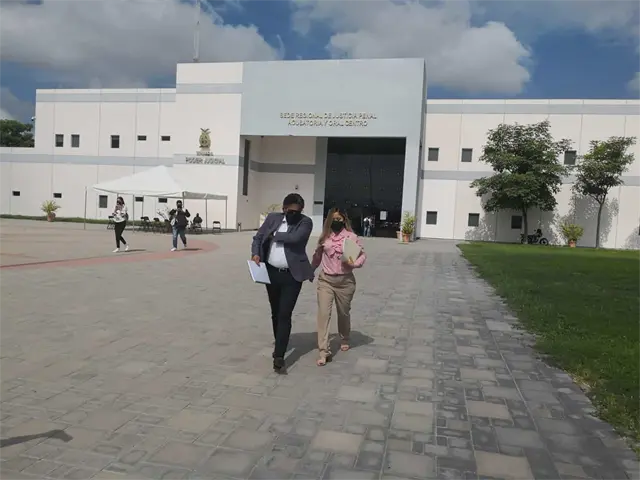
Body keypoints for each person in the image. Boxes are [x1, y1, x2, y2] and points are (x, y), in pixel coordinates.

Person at [251, 193, 313, 373]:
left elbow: (296, 238)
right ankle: (279, 341)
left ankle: (279, 355)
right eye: (291, 211)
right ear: (284, 208)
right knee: (276, 313)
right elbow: (258, 237)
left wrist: (273, 234)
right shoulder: (273, 218)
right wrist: (256, 253)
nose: (294, 214)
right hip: (271, 273)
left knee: (285, 313)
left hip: (292, 276)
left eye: (298, 211)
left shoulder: (305, 222)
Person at [312, 208, 366, 366]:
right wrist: (310, 270)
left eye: (339, 219)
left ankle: (344, 337)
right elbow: (317, 258)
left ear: (344, 220)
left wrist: (354, 263)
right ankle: (323, 351)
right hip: (326, 281)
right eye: (334, 219)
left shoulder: (351, 237)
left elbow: (362, 255)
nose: (336, 221)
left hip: (345, 281)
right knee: (323, 314)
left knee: (343, 312)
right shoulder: (324, 237)